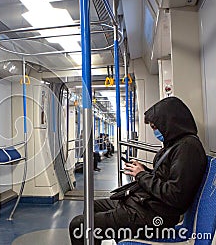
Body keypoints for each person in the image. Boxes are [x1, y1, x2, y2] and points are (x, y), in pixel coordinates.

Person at [69, 97, 207, 244]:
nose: (156, 131)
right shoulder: (175, 145)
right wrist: (143, 170)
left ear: (169, 122)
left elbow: (175, 195)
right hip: (145, 204)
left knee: (79, 225)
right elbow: (164, 177)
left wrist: (141, 175)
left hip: (154, 216)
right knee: (92, 208)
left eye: (155, 127)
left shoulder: (188, 148)